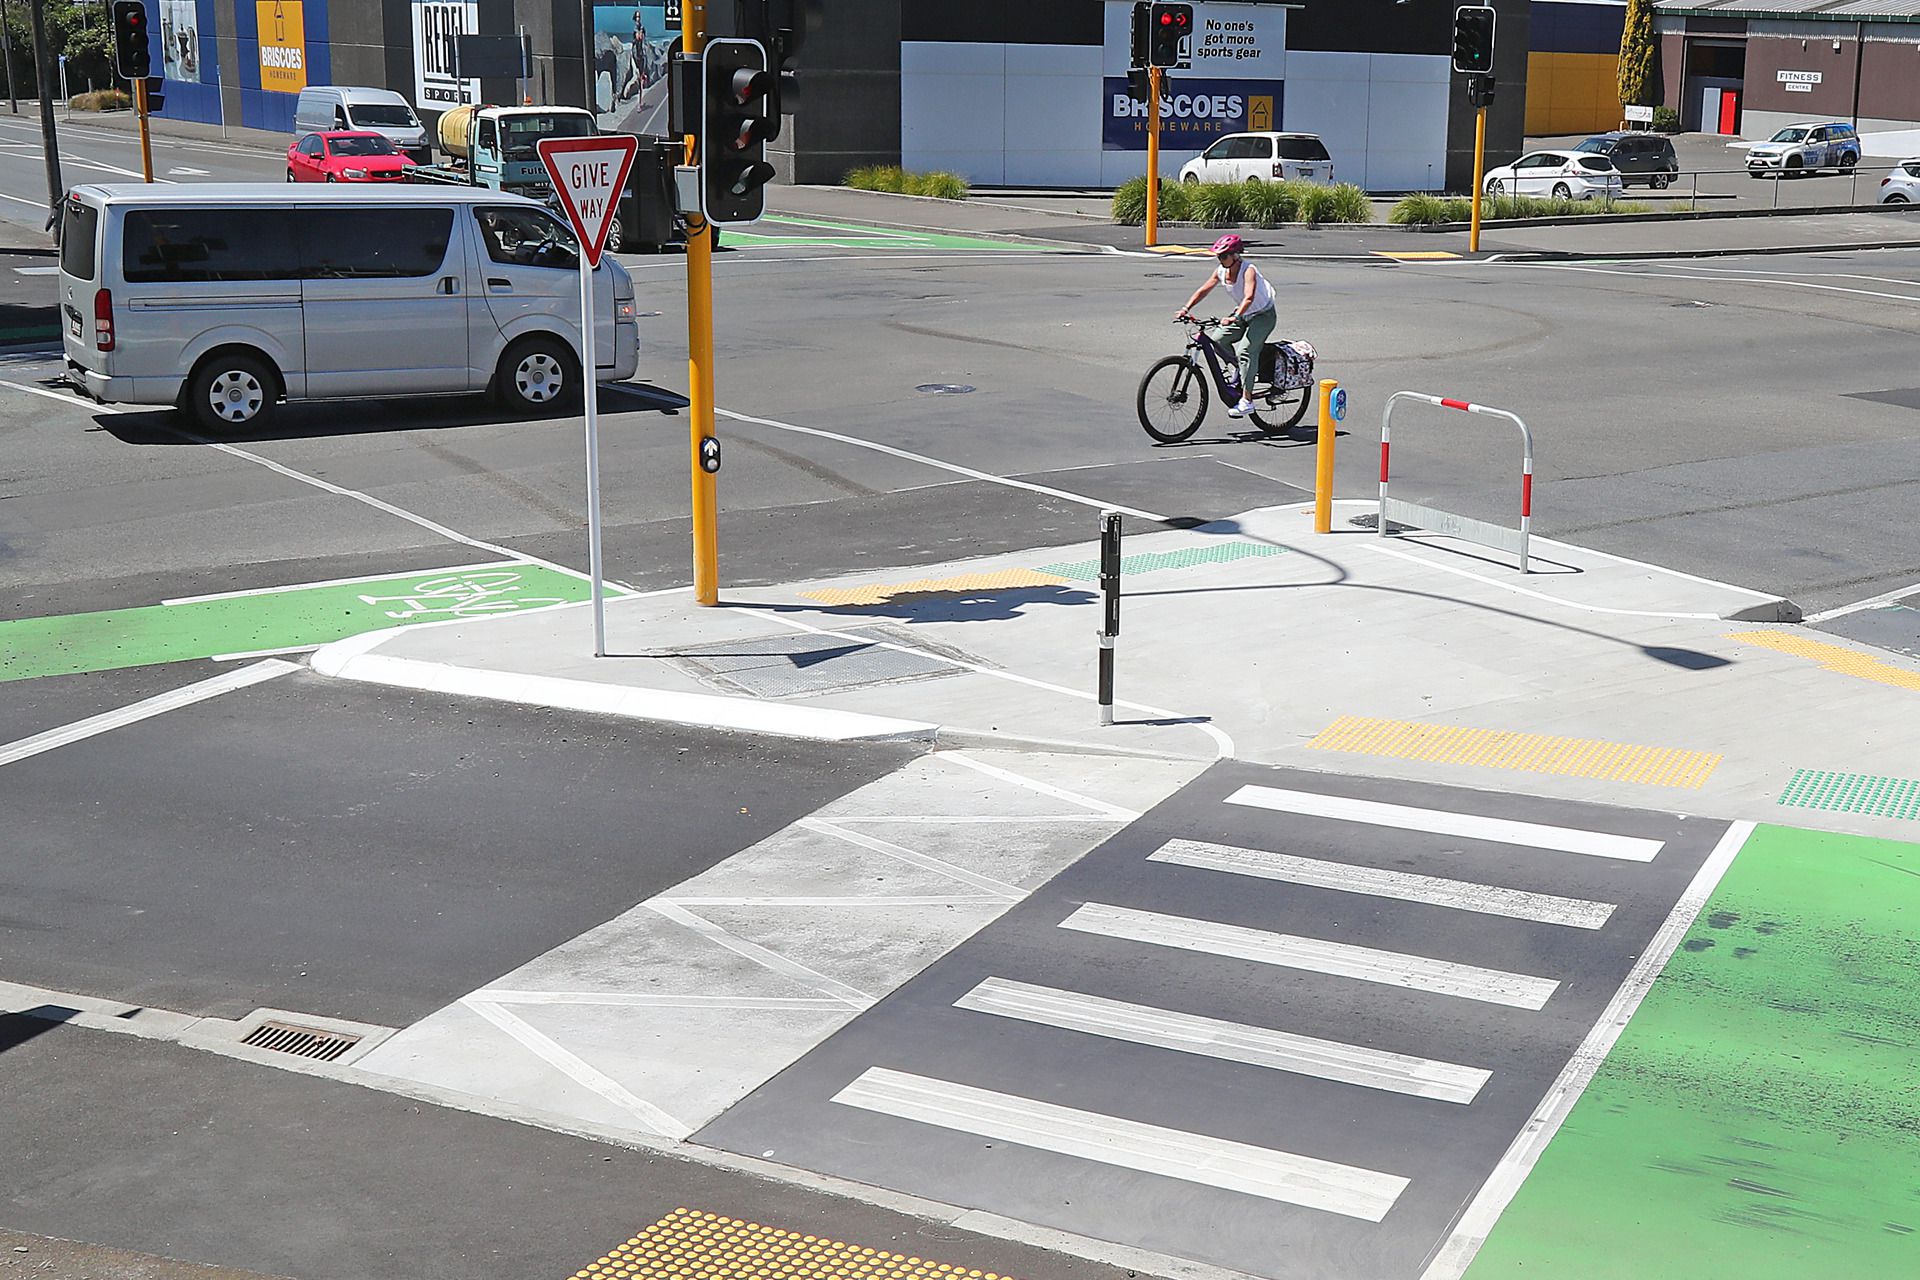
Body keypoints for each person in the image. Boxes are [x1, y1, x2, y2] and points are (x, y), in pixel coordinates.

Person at [1176, 233, 1275, 418]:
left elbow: (1249, 297)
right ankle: (1241, 368)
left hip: (1263, 315)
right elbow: (1204, 289)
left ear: (1236, 255)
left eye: (1224, 256)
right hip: (1243, 313)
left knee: (1245, 350)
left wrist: (1234, 317)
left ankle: (1247, 401)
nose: (1220, 260)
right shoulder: (1221, 271)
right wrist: (1186, 308)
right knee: (1217, 340)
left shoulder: (1248, 270)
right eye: (1218, 256)